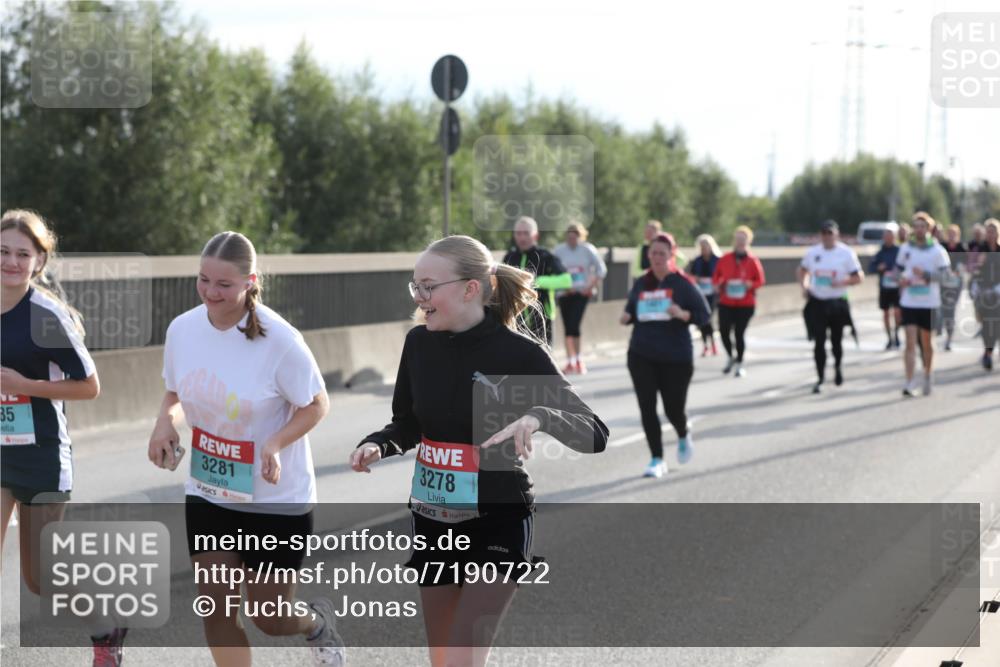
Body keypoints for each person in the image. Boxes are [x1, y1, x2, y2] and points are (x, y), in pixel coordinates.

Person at [349, 235, 608, 667]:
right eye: (415, 286)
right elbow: (409, 423)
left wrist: (540, 416)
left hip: (497, 521)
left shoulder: (518, 353)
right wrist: (379, 443)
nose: (419, 297)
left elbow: (594, 433)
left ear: (470, 288)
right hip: (433, 520)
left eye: (429, 286)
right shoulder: (419, 344)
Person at [147, 231, 345, 667]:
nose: (210, 292)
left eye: (224, 284)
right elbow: (175, 391)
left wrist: (274, 442)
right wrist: (165, 423)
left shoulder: (280, 340)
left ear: (250, 282)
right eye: (203, 280)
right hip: (209, 491)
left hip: (275, 499)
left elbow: (317, 403)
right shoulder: (183, 330)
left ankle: (316, 623)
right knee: (216, 610)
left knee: (269, 617)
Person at [0, 210, 107, 662]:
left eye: (22, 254)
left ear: (39, 261)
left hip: (41, 456)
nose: (11, 262)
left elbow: (89, 386)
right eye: (3, 251)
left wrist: (25, 386)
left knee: (41, 577)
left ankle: (105, 629)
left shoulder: (45, 317)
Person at [621, 232, 710, 478]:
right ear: (648, 255)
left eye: (662, 253)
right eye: (653, 253)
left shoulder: (682, 284)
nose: (657, 257)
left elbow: (704, 315)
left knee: (673, 410)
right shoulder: (642, 282)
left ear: (671, 255)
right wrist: (627, 316)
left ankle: (682, 432)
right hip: (641, 354)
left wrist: (682, 314)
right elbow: (632, 309)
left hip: (676, 358)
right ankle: (656, 459)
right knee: (647, 408)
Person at [798, 220, 864, 394]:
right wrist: (804, 286)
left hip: (837, 301)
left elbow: (858, 277)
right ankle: (820, 377)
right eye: (824, 233)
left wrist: (841, 282)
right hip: (818, 301)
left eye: (830, 233)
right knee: (819, 341)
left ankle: (838, 366)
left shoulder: (846, 253)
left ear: (836, 234)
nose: (827, 236)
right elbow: (803, 271)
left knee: (836, 340)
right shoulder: (813, 253)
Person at [896, 212, 951, 396]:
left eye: (922, 226)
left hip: (929, 303)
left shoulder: (937, 250)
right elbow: (897, 271)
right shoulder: (905, 248)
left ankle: (927, 373)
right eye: (916, 226)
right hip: (909, 302)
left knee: (927, 343)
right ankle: (909, 381)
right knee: (910, 343)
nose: (919, 230)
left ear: (929, 229)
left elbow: (946, 276)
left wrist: (926, 275)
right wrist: (901, 279)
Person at [501, 216, 571, 346]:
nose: (522, 237)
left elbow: (566, 280)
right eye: (518, 233)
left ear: (536, 235)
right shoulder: (509, 257)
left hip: (543, 318)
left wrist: (538, 281)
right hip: (516, 319)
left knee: (543, 356)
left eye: (526, 233)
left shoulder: (545, 256)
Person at [553, 222, 607, 374]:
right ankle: (570, 361)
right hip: (565, 293)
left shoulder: (587, 249)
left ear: (581, 236)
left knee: (574, 325)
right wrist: (562, 285)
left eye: (575, 237)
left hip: (581, 293)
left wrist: (589, 286)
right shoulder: (559, 250)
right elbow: (552, 269)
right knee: (567, 327)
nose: (572, 240)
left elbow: (601, 270)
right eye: (569, 237)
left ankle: (578, 359)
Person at [712, 226, 766, 377]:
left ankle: (740, 363)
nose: (740, 242)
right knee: (723, 331)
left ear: (748, 241)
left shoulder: (753, 260)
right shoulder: (725, 259)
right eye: (738, 239)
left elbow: (760, 280)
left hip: (745, 304)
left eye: (743, 239)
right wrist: (718, 284)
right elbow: (716, 277)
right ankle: (731, 356)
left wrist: (750, 284)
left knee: (739, 334)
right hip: (726, 302)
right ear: (734, 241)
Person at [868, 224, 903, 349]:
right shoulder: (880, 253)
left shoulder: (899, 251)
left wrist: (898, 272)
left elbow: (906, 266)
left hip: (897, 287)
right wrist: (879, 268)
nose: (888, 238)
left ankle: (897, 334)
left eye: (890, 236)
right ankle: (889, 338)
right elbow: (871, 268)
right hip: (884, 288)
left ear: (894, 237)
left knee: (897, 312)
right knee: (886, 313)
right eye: (886, 236)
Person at [971, 219, 1000, 370]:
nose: (990, 234)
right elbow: (973, 269)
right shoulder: (980, 249)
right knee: (986, 324)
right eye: (988, 231)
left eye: (993, 231)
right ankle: (987, 351)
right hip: (983, 293)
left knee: (995, 323)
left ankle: (988, 353)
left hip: (997, 293)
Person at [686, 234, 721, 356]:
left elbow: (723, 275)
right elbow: (690, 276)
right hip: (700, 294)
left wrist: (716, 283)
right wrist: (696, 278)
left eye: (706, 246)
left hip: (713, 294)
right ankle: (706, 345)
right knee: (701, 320)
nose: (704, 249)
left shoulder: (718, 260)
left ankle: (713, 344)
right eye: (702, 246)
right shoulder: (697, 261)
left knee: (708, 318)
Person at [938, 224, 968, 351]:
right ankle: (940, 329)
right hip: (943, 283)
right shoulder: (942, 247)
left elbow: (966, 264)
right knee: (942, 309)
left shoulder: (962, 248)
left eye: (953, 234)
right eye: (949, 234)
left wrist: (958, 270)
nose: (951, 236)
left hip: (955, 284)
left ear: (958, 236)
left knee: (950, 310)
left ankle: (949, 338)